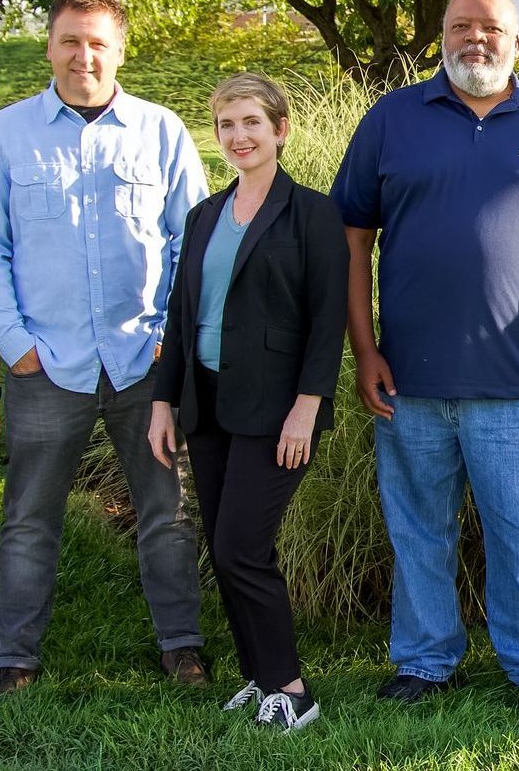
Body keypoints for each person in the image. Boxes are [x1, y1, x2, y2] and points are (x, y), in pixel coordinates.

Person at [330, 0, 519, 715]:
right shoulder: (392, 119)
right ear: (442, 38)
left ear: (515, 41)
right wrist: (363, 350)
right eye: (460, 26)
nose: (475, 39)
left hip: (517, 382)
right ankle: (426, 662)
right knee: (418, 528)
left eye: (490, 28)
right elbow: (351, 240)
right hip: (409, 381)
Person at [0, 0, 210, 693]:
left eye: (97, 42)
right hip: (46, 360)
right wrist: (14, 342)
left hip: (145, 360)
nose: (83, 56)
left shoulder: (160, 131)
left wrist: (172, 332)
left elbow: (188, 242)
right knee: (29, 517)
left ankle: (182, 647)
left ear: (120, 50)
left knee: (166, 509)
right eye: (70, 40)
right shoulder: (8, 134)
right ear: (49, 44)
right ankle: (14, 659)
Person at [147, 73, 348, 732]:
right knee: (222, 543)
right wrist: (160, 403)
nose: (238, 136)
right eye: (227, 125)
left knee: (241, 547)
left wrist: (307, 406)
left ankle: (292, 689)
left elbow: (328, 320)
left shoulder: (312, 214)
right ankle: (259, 678)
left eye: (251, 123)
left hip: (277, 410)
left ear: (279, 130)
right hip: (206, 404)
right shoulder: (204, 215)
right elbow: (181, 318)